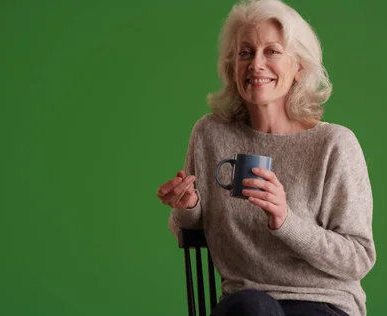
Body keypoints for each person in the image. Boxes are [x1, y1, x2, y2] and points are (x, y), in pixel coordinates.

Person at [156, 0, 375, 315]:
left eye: (272, 51)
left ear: (298, 65)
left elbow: (358, 258)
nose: (256, 64)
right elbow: (189, 231)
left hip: (321, 302)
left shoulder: (333, 144)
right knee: (252, 307)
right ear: (233, 67)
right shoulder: (211, 134)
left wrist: (286, 220)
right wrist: (188, 207)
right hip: (246, 302)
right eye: (246, 53)